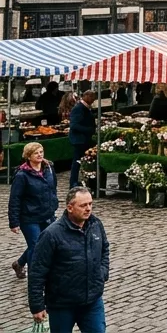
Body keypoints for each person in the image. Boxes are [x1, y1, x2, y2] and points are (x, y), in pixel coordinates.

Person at [27, 187, 108, 333]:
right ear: (70, 208)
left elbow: (104, 249)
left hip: (92, 300)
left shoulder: (96, 225)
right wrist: (37, 305)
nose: (88, 209)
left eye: (90, 204)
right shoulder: (51, 234)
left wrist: (102, 273)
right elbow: (37, 271)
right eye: (83, 205)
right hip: (62, 304)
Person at [9, 143, 57, 280]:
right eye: (36, 153)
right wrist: (14, 222)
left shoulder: (49, 168)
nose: (40, 155)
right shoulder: (22, 175)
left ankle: (19, 263)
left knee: (44, 243)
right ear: (28, 156)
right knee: (35, 246)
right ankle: (34, 279)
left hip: (47, 214)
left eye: (41, 152)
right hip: (29, 217)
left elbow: (53, 188)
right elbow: (15, 199)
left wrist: (53, 204)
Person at [66, 91, 96, 189]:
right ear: (85, 96)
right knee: (77, 161)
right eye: (91, 96)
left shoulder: (86, 108)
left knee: (83, 160)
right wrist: (89, 130)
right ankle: (73, 182)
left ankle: (82, 181)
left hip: (85, 139)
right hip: (79, 140)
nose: (93, 99)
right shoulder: (78, 108)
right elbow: (74, 125)